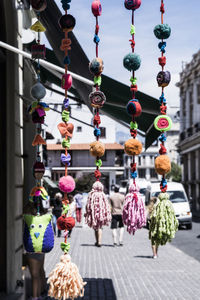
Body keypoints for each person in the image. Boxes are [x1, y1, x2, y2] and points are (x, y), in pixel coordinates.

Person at [24, 198, 48, 300]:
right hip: (41, 246)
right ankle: (41, 292)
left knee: (34, 274)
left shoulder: (29, 219)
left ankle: (35, 296)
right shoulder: (42, 216)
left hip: (32, 247)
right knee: (40, 271)